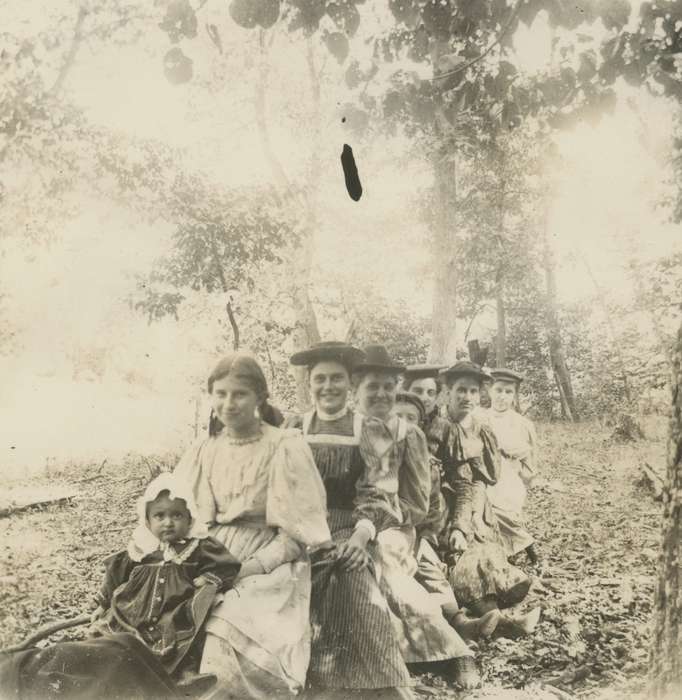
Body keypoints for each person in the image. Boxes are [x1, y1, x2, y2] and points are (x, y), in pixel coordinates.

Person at [173, 352, 331, 699]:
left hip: (269, 562)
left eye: (239, 394)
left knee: (226, 627)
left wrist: (247, 569)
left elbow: (296, 535)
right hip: (210, 551)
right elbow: (183, 517)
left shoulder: (284, 445)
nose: (229, 404)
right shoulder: (203, 448)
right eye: (220, 393)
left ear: (260, 397)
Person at [286, 341, 414, 699]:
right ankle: (311, 679)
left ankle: (385, 684)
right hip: (299, 528)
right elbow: (281, 486)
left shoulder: (367, 427)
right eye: (320, 379)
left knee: (352, 572)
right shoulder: (294, 426)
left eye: (337, 379)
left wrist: (360, 537)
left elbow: (377, 489)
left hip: (350, 523)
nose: (328, 387)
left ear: (349, 383)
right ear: (309, 383)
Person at [352, 346, 479, 689]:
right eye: (371, 386)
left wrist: (377, 522)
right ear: (356, 390)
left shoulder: (410, 435)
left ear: (395, 389)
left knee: (382, 560)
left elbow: (419, 502)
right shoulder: (346, 430)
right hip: (346, 526)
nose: (380, 393)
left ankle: (454, 650)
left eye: (386, 386)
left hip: (395, 526)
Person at [89, 473, 241, 682]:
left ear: (190, 518)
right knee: (118, 635)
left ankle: (185, 676)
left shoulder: (198, 546)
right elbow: (115, 575)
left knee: (183, 636)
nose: (168, 523)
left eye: (176, 516)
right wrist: (102, 603)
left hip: (174, 609)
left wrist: (208, 578)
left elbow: (226, 565)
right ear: (148, 521)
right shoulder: (141, 547)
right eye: (159, 516)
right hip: (134, 609)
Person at [438, 361, 540, 640]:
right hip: (443, 506)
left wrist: (476, 507)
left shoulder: (481, 426)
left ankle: (499, 613)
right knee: (464, 557)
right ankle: (501, 622)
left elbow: (488, 475)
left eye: (472, 391)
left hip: (475, 501)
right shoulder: (438, 424)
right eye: (460, 390)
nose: (467, 397)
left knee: (486, 548)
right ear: (448, 391)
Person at [393, 392, 501, 644]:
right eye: (398, 417)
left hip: (415, 532)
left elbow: (430, 505)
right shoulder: (375, 450)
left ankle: (460, 621)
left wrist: (424, 535)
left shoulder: (423, 461)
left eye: (411, 418)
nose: (404, 423)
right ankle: (448, 628)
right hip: (383, 529)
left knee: (427, 562)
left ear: (420, 425)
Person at [480, 368, 539, 564]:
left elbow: (530, 464)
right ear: (489, 391)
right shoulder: (479, 418)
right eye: (498, 390)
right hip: (485, 475)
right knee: (483, 507)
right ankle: (497, 553)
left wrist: (520, 476)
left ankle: (525, 549)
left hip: (511, 479)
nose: (502, 397)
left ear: (514, 395)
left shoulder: (522, 424)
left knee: (506, 509)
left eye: (508, 392)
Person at [402, 364, 450, 456]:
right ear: (406, 392)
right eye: (418, 391)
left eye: (430, 393)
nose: (424, 398)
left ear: (436, 397)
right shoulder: (396, 422)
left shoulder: (444, 427)